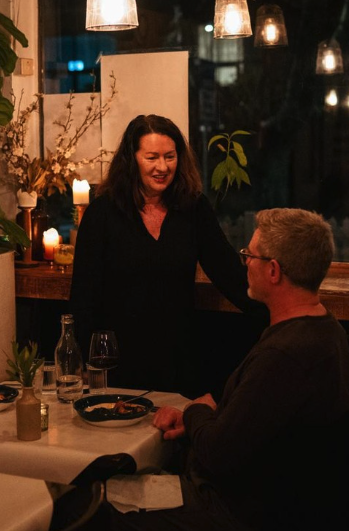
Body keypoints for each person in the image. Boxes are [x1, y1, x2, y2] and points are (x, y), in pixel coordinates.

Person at [113, 208, 349, 531]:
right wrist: (207, 415)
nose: (245, 264)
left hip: (234, 510)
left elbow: (217, 452)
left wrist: (195, 411)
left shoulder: (284, 355)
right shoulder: (326, 329)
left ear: (273, 271)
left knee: (101, 503)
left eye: (249, 256)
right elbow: (249, 428)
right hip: (275, 500)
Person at [68, 114, 266, 395]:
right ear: (132, 159)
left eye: (170, 156)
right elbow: (83, 298)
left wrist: (282, 311)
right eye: (152, 157)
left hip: (179, 360)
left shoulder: (193, 208)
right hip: (118, 364)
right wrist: (82, 366)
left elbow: (230, 274)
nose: (162, 167)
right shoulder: (102, 214)